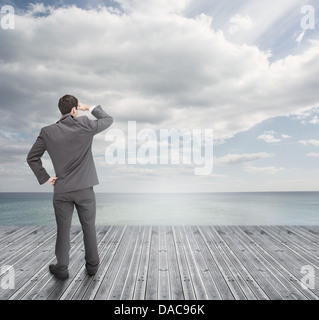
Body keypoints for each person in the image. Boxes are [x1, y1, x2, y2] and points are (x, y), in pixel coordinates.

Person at [27, 94, 113, 279]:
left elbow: (32, 157)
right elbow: (107, 119)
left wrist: (46, 177)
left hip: (62, 189)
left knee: (63, 229)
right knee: (88, 227)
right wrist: (88, 108)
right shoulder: (84, 124)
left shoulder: (47, 131)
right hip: (85, 189)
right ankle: (92, 267)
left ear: (61, 111)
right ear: (74, 109)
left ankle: (62, 268)